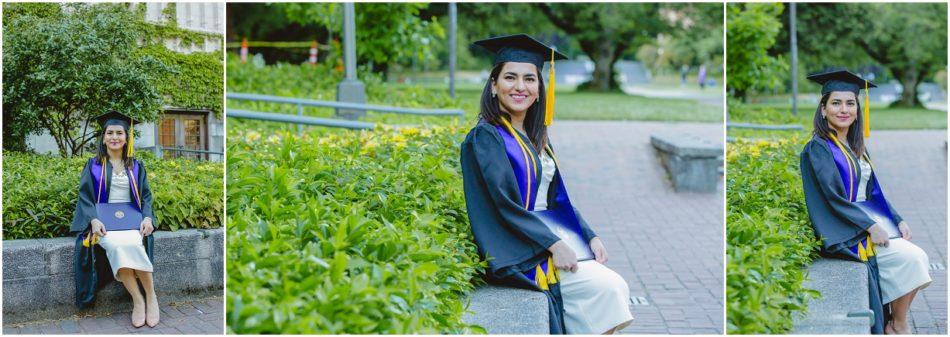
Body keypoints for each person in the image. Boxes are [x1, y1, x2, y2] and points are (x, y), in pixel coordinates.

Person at [460, 34, 633, 334]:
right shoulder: (486, 137)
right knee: (609, 288)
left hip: (547, 239)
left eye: (529, 79)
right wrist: (552, 244)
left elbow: (557, 200)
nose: (519, 87)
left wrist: (589, 235)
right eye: (510, 77)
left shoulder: (535, 137)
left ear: (539, 90)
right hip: (519, 247)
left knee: (611, 291)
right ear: (493, 85)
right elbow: (502, 203)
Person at [800, 70, 931, 335]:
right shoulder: (819, 148)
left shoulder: (855, 145)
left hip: (866, 223)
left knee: (917, 259)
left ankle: (895, 321)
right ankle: (898, 324)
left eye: (850, 103)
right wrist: (871, 226)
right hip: (846, 230)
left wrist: (897, 219)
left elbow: (874, 192)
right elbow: (832, 197)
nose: (844, 109)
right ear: (823, 110)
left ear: (858, 110)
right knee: (914, 258)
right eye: (836, 103)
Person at [73, 111, 160, 328]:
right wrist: (93, 220)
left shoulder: (136, 166)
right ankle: (138, 300)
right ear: (103, 137)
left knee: (132, 241)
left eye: (119, 133)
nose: (114, 137)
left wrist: (148, 218)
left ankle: (151, 296)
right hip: (105, 225)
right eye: (110, 133)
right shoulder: (93, 166)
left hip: (131, 222)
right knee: (116, 244)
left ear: (126, 137)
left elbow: (146, 196)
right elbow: (85, 197)